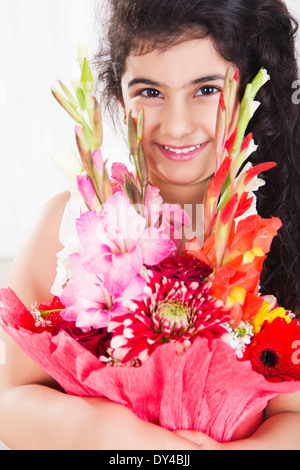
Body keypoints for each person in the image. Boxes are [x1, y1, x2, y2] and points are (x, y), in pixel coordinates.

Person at [0, 0, 300, 450]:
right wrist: (107, 434)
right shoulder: (67, 227)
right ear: (120, 97)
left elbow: (293, 419)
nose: (177, 127)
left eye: (205, 90)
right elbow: (12, 400)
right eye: (150, 92)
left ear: (246, 95)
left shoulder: (279, 231)